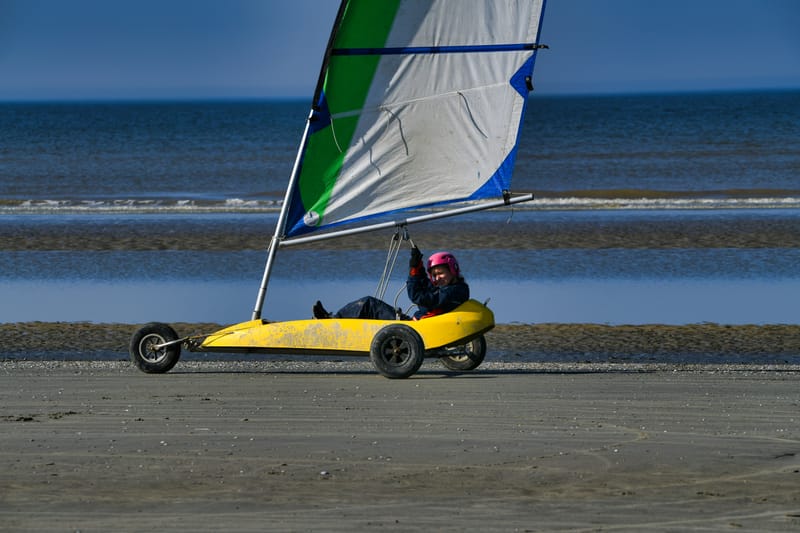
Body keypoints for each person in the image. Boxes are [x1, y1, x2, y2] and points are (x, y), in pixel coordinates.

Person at [313, 247, 469, 320]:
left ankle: (332, 320)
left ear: (452, 270)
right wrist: (417, 268)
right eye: (433, 275)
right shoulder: (453, 289)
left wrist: (414, 273)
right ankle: (334, 318)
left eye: (440, 273)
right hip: (420, 324)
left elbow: (419, 297)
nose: (436, 278)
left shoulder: (453, 291)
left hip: (415, 328)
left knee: (368, 303)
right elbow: (427, 290)